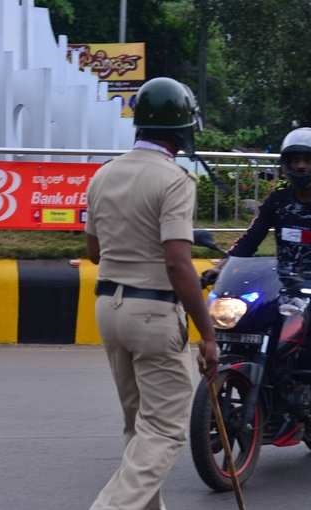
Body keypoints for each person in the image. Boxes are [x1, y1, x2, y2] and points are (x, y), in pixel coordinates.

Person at [203, 127, 311, 487]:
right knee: (241, 334)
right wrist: (221, 268)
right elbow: (250, 240)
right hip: (281, 286)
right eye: (294, 159)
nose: (299, 166)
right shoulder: (278, 201)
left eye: (306, 160)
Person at [85, 77, 218, 510]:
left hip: (109, 307)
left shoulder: (103, 175)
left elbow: (93, 251)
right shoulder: (175, 180)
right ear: (183, 130)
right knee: (163, 430)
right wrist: (208, 334)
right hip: (153, 313)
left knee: (138, 425)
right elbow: (179, 263)